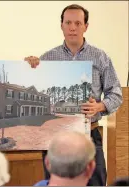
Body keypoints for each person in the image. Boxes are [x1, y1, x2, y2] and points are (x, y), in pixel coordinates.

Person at [24, 4, 123, 186]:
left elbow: (116, 94)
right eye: (68, 22)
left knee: (96, 182)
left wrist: (99, 106)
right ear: (61, 25)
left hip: (89, 134)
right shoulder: (46, 59)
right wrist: (28, 68)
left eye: (78, 23)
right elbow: (35, 89)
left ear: (86, 26)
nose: (72, 27)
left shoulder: (101, 57)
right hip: (54, 138)